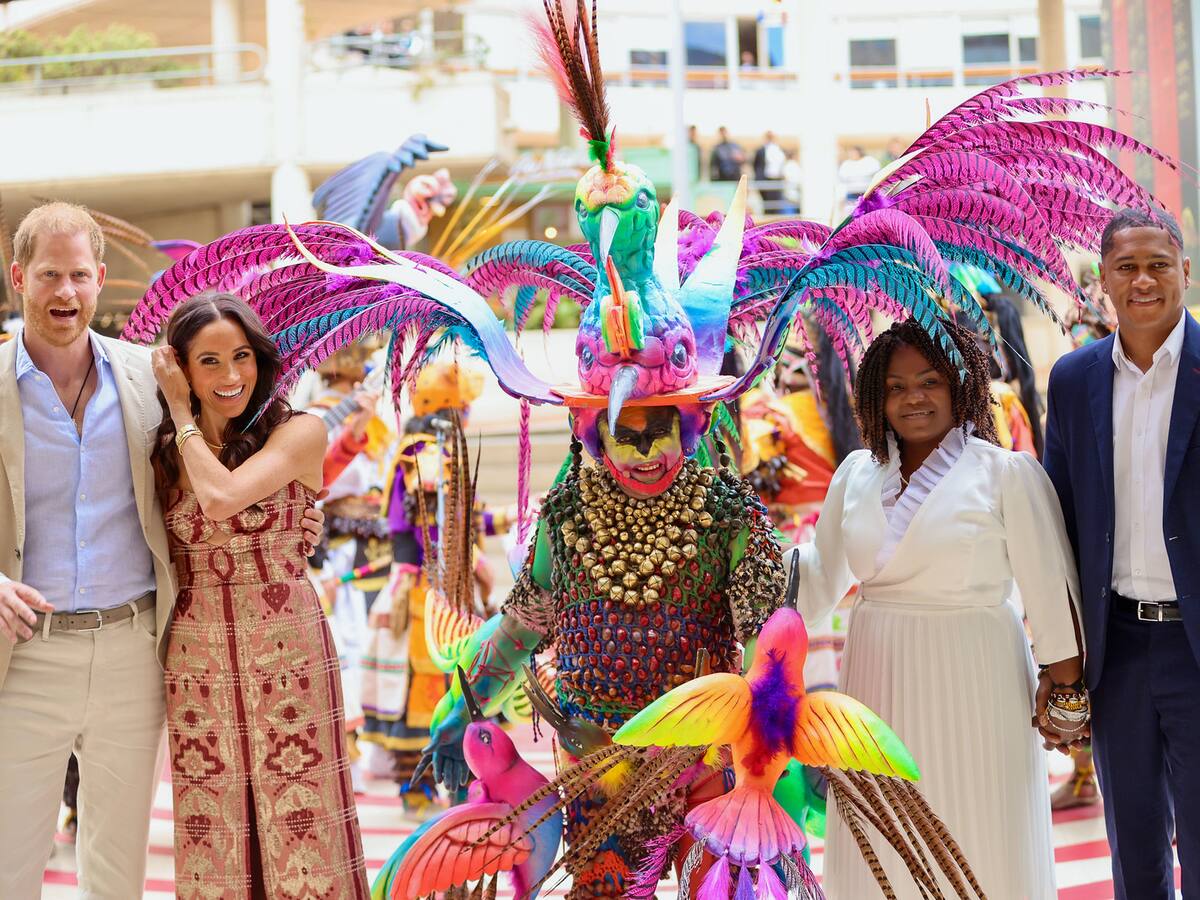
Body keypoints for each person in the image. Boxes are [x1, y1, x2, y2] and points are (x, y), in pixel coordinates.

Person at [0, 203, 324, 897]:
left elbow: (231, 426)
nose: (65, 293)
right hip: (26, 654)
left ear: (101, 279)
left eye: (79, 275)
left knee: (118, 874)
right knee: (10, 865)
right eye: (50, 275)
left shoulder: (149, 379)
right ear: (18, 276)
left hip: (136, 653)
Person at [792, 317, 1085, 899]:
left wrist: (1068, 690)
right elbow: (819, 580)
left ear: (960, 384)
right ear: (876, 396)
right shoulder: (855, 474)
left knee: (980, 826)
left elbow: (1051, 587)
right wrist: (739, 558)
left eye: (929, 381)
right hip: (876, 677)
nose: (913, 398)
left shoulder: (1005, 474)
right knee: (882, 839)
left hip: (980, 675)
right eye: (896, 387)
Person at [151, 293, 369, 898]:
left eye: (242, 356)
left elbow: (221, 497)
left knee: (304, 825)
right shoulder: (164, 454)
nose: (231, 376)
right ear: (184, 368)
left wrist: (178, 409)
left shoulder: (300, 431)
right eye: (210, 361)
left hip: (289, 653)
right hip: (197, 661)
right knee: (211, 826)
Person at [1043, 207, 1200, 899]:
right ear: (1102, 279)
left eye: (1158, 265)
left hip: (1196, 648)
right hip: (1119, 650)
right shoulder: (1073, 381)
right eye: (1127, 267)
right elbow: (1059, 520)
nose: (1143, 280)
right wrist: (1061, 652)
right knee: (1133, 844)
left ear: (1185, 273)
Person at [752, 130, 787, 214]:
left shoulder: (779, 150)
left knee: (776, 204)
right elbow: (756, 165)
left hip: (777, 179)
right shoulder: (761, 151)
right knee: (767, 205)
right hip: (766, 180)